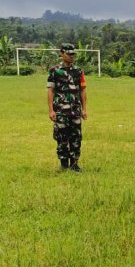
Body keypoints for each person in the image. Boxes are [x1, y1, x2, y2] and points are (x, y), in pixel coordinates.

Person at [47, 43, 87, 172]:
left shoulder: (78, 71)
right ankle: (64, 164)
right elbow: (51, 91)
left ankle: (74, 164)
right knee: (62, 137)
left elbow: (82, 91)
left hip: (75, 110)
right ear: (61, 53)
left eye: (73, 54)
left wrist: (84, 109)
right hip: (61, 110)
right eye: (69, 54)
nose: (71, 56)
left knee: (76, 137)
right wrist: (51, 110)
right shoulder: (55, 71)